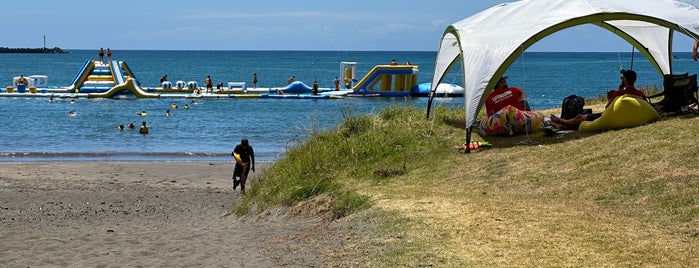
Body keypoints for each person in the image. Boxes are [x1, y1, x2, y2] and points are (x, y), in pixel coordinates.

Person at [550, 69, 647, 130]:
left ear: (625, 80)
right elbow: (645, 105)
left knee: (580, 117)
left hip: (611, 116)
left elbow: (608, 108)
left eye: (623, 78)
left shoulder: (619, 94)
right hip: (629, 116)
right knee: (583, 118)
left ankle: (561, 121)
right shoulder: (640, 93)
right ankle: (561, 126)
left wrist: (610, 97)